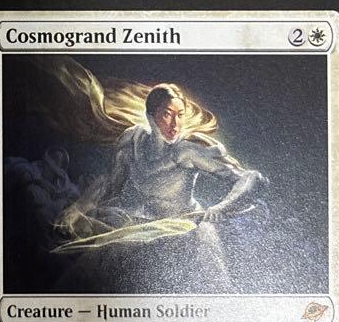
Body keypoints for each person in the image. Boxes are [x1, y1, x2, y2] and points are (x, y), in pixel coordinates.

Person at [54, 83, 264, 288]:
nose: (175, 124)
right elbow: (110, 184)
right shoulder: (132, 142)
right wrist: (78, 207)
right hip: (147, 226)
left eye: (180, 115)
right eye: (167, 115)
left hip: (189, 229)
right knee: (86, 269)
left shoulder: (186, 152)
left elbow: (251, 177)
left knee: (212, 287)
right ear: (150, 115)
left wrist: (221, 207)